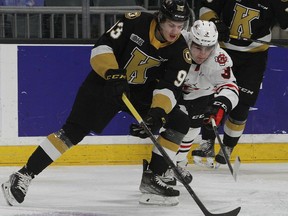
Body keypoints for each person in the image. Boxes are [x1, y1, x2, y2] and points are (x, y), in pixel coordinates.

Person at [1, 0, 192, 207]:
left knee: (178, 121)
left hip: (139, 93)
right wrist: (112, 73)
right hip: (105, 83)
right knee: (71, 133)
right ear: (161, 19)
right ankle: (23, 175)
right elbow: (102, 46)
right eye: (171, 25)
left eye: (180, 27)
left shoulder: (181, 51)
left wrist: (157, 112)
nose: (175, 31)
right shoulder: (135, 22)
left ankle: (152, 180)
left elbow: (169, 88)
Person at [191, 0, 288, 168]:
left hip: (254, 58)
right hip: (222, 50)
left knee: (242, 104)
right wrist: (216, 23)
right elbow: (207, 8)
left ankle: (228, 146)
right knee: (211, 97)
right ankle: (207, 142)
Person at [170, 20, 238, 171]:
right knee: (173, 126)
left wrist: (221, 105)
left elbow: (230, 87)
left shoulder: (219, 59)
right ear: (190, 40)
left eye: (208, 48)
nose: (202, 54)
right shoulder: (176, 42)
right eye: (197, 47)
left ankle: (179, 162)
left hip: (199, 93)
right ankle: (164, 165)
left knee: (192, 128)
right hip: (172, 88)